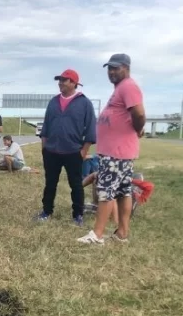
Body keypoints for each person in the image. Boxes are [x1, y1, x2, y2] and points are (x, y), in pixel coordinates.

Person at [78, 54, 146, 244]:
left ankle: (97, 234)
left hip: (116, 152)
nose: (112, 72)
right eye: (109, 68)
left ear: (126, 67)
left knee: (106, 191)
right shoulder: (121, 88)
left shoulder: (128, 86)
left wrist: (138, 128)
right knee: (123, 191)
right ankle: (122, 233)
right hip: (119, 152)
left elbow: (139, 113)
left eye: (116, 68)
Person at [37, 69, 97, 226]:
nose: (60, 83)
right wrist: (44, 148)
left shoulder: (84, 103)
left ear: (73, 83)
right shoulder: (53, 102)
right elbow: (46, 126)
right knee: (50, 183)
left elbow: (90, 128)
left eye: (64, 80)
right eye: (60, 80)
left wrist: (84, 150)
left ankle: (78, 214)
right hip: (51, 151)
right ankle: (46, 211)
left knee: (76, 184)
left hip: (73, 152)